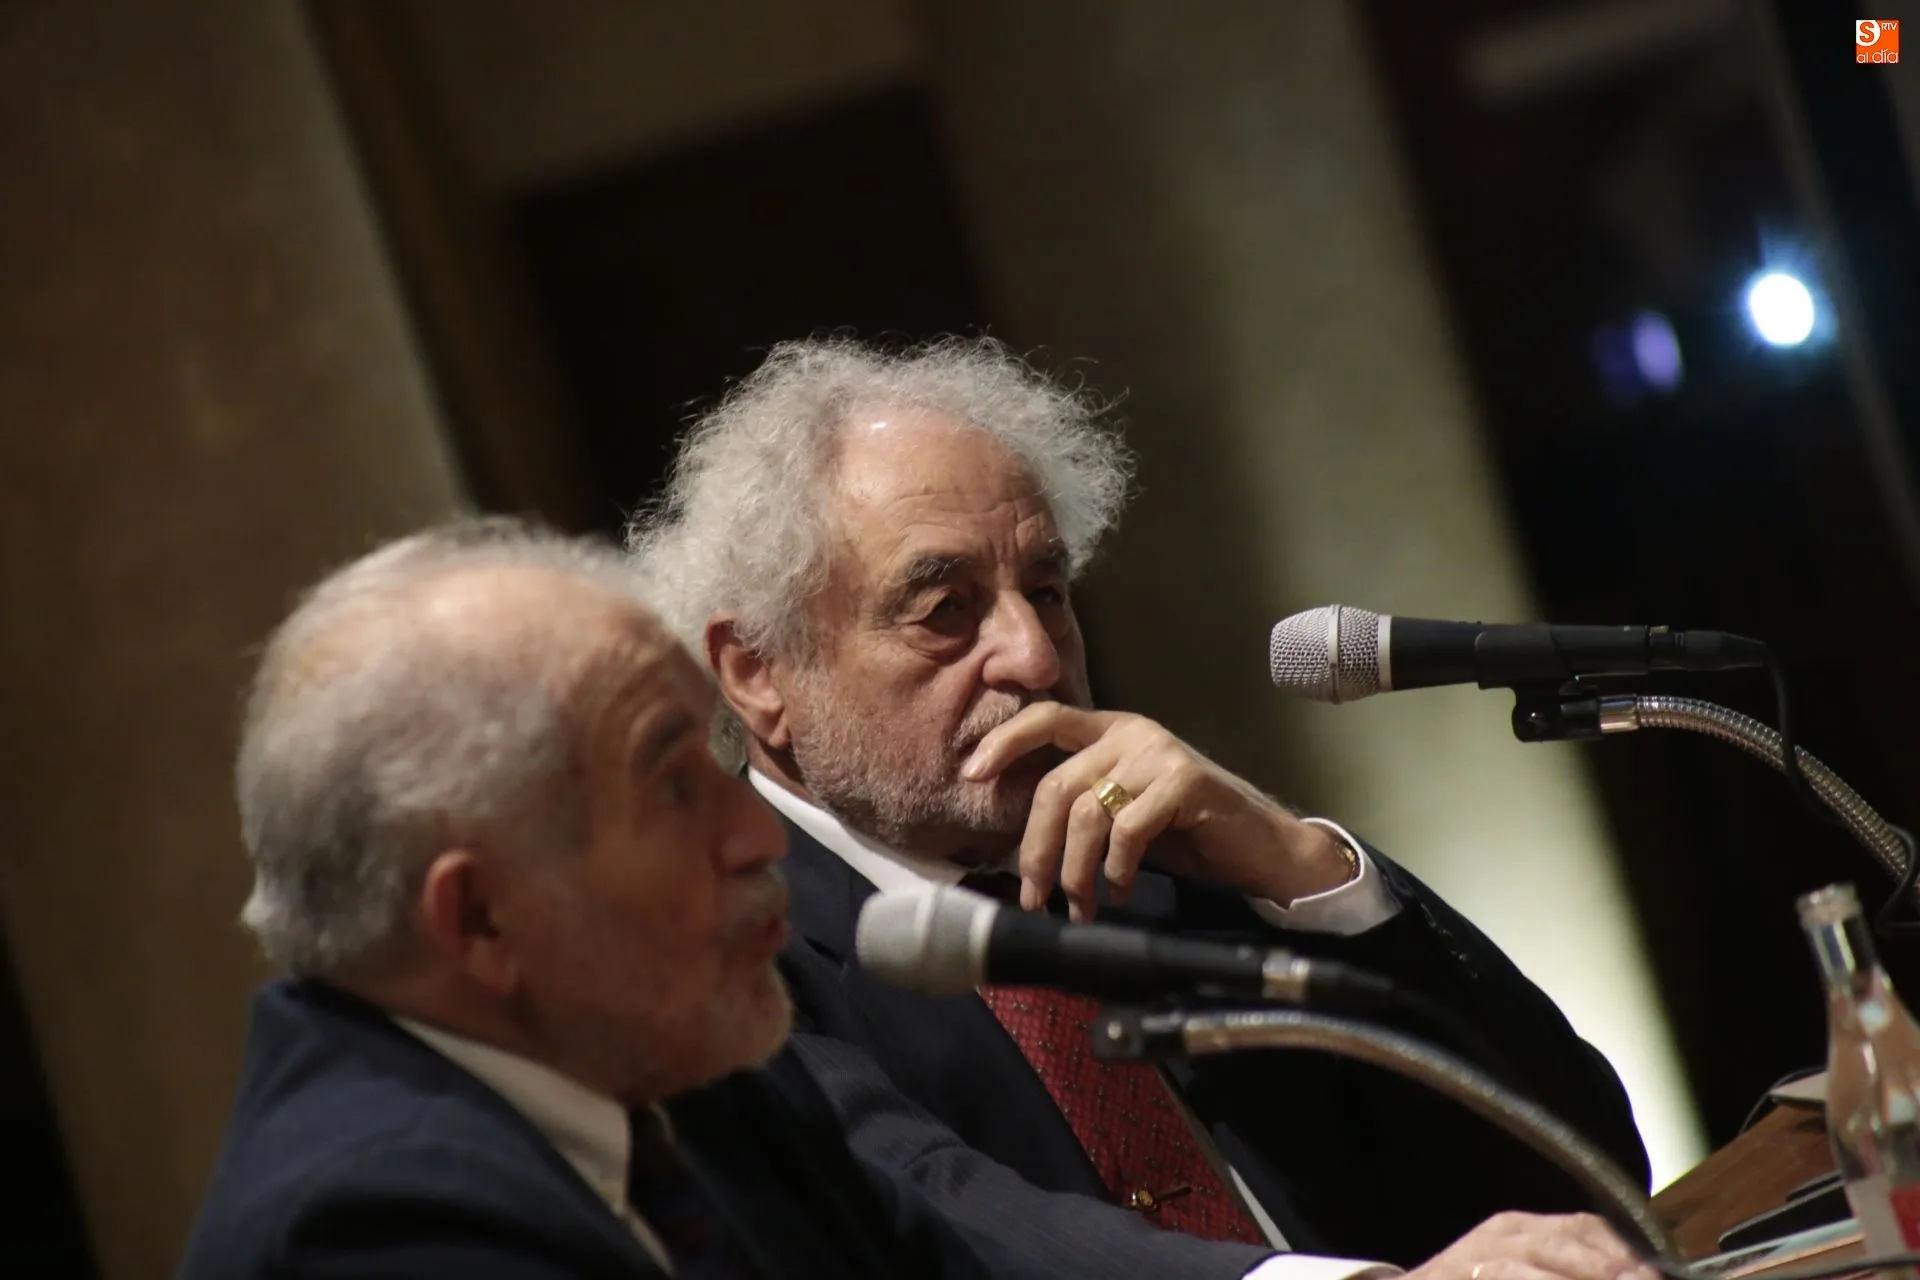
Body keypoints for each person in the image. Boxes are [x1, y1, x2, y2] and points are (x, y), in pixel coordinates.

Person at [628, 336, 1661, 1280]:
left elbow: (1585, 1170)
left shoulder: (1172, 857)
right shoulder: (717, 954)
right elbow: (941, 1218)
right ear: (757, 671)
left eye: (1047, 591)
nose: (1035, 657)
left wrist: (1305, 871)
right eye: (945, 610)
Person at [181, 519, 1037, 1279]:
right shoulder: (376, 1230)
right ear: (481, 920)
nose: (761, 836)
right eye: (673, 788)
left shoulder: (679, 1063)